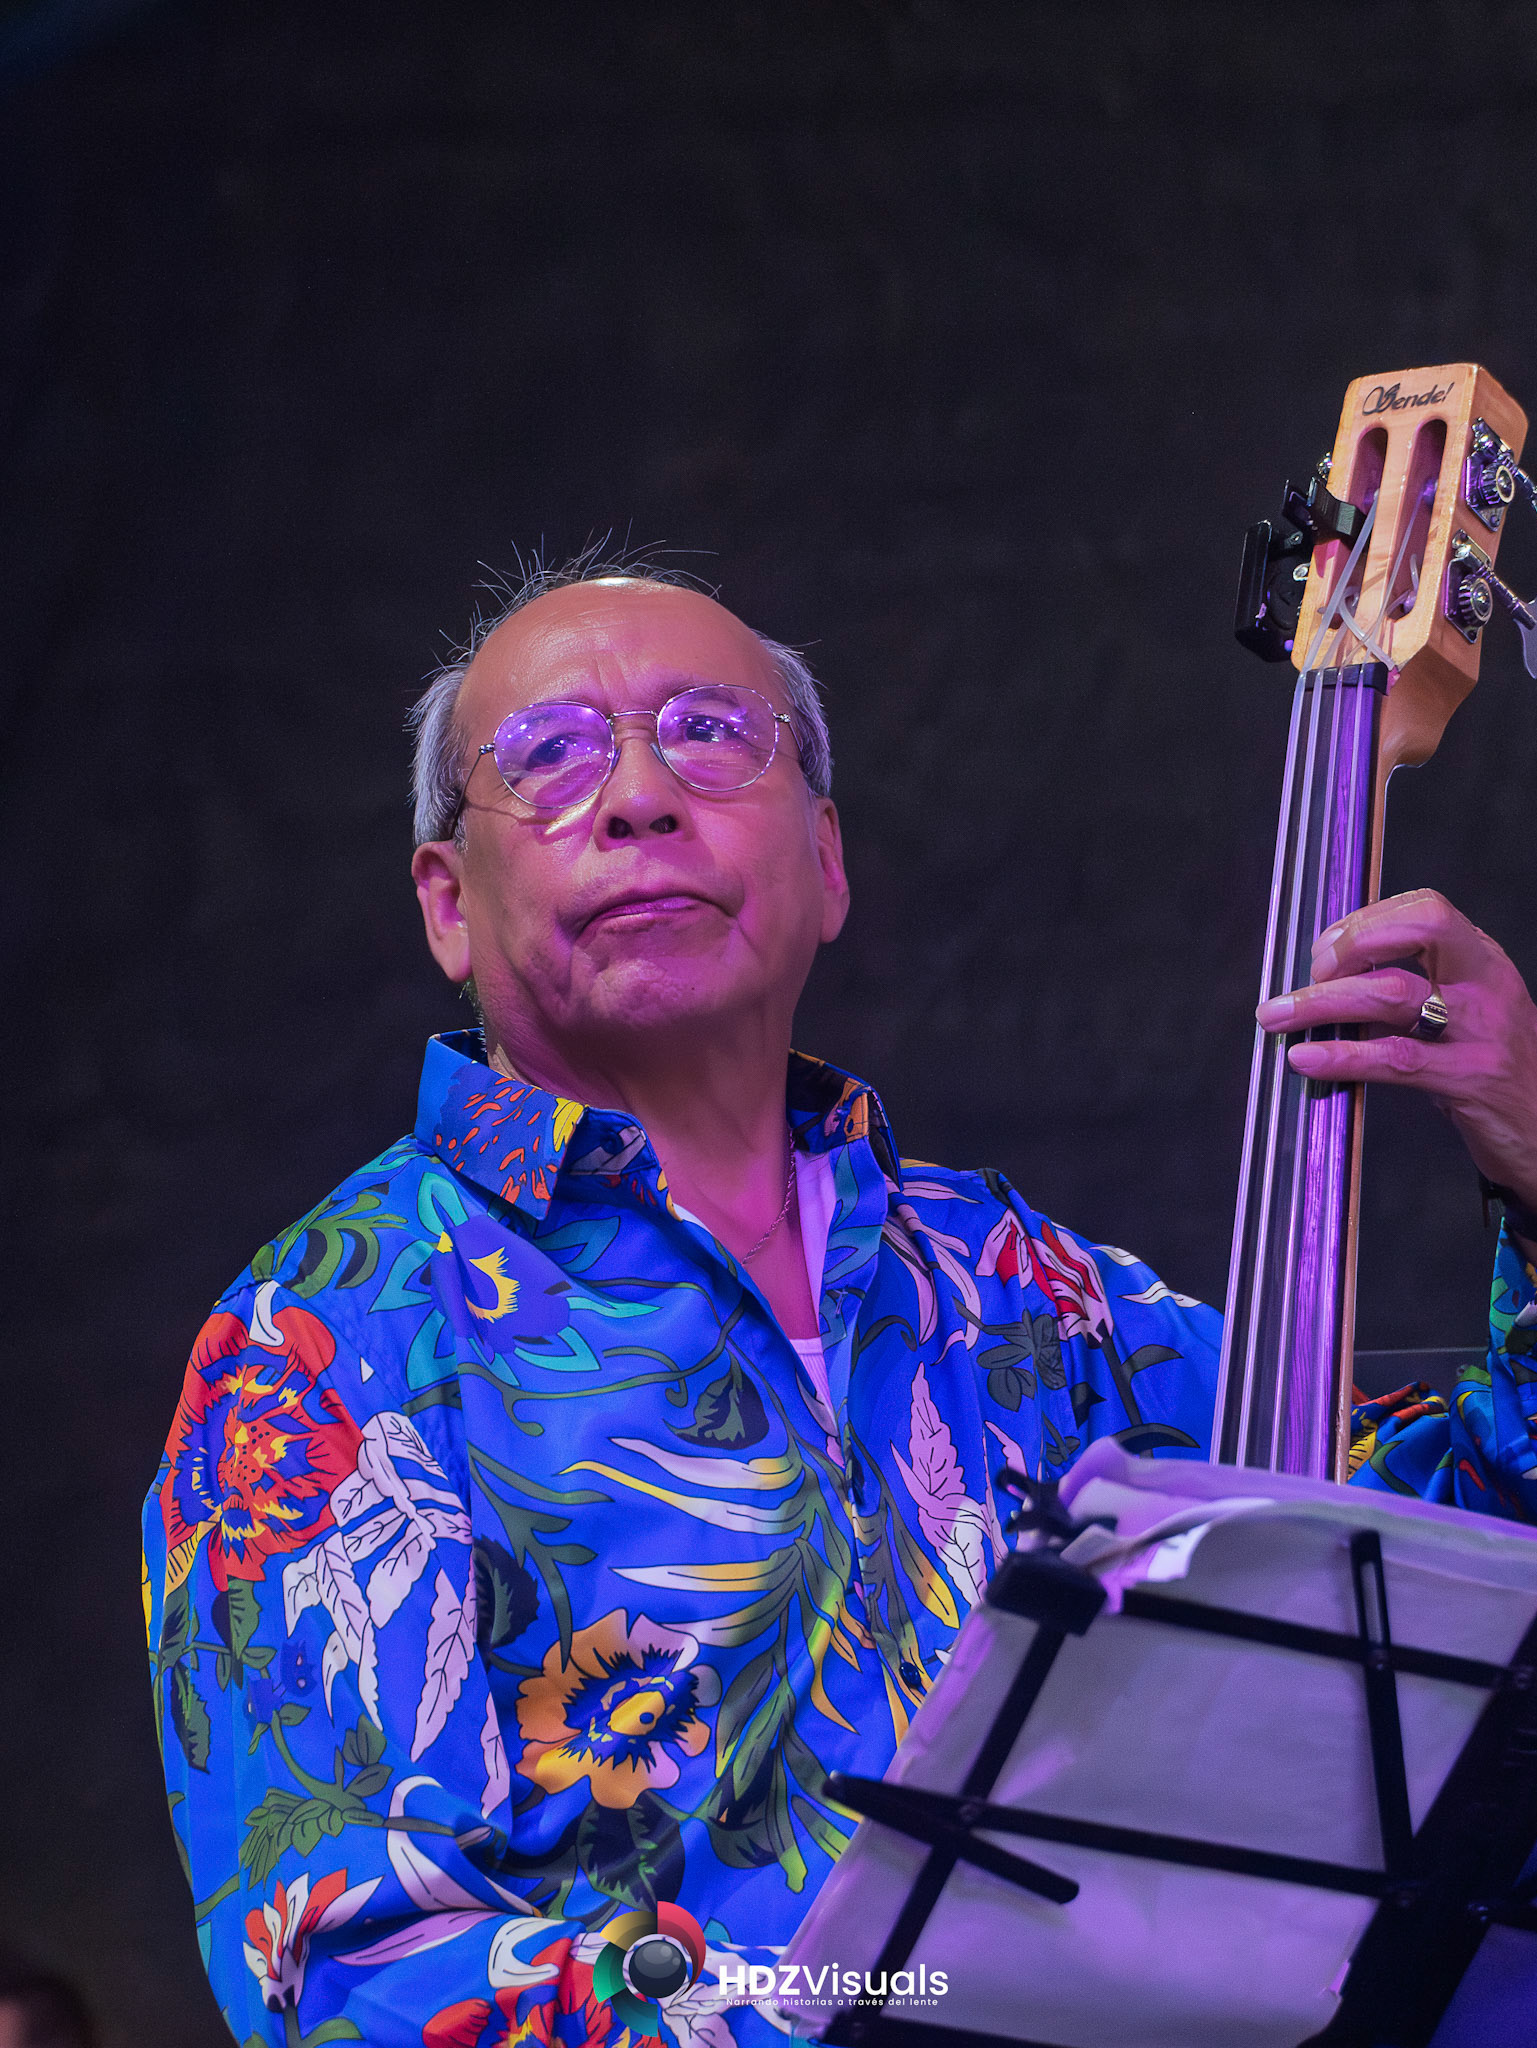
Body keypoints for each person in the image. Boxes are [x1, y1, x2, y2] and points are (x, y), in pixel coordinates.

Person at [143, 560, 1537, 2048]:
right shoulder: (325, 1339)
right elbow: (351, 1966)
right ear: (447, 905)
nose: (638, 797)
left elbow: (1448, 1571)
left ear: (825, 860)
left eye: (708, 734)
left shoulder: (1020, 1283)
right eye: (549, 756)